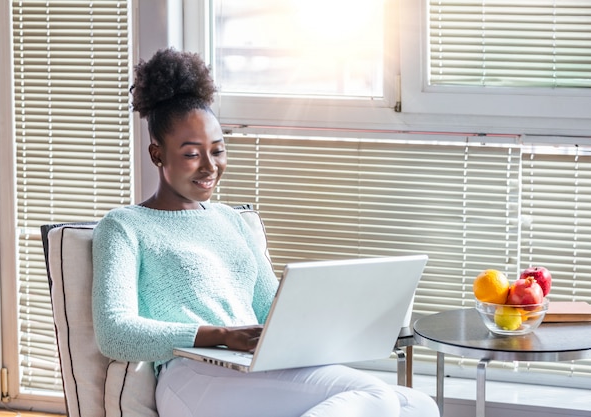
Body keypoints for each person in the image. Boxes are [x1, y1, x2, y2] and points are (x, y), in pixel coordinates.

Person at [92, 47, 439, 417]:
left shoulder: (230, 221)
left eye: (218, 150)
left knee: (417, 404)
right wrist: (221, 336)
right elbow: (115, 333)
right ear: (157, 154)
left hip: (252, 370)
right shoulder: (124, 226)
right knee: (375, 395)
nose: (210, 166)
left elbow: (272, 310)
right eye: (192, 153)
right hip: (190, 377)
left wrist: (329, 319)